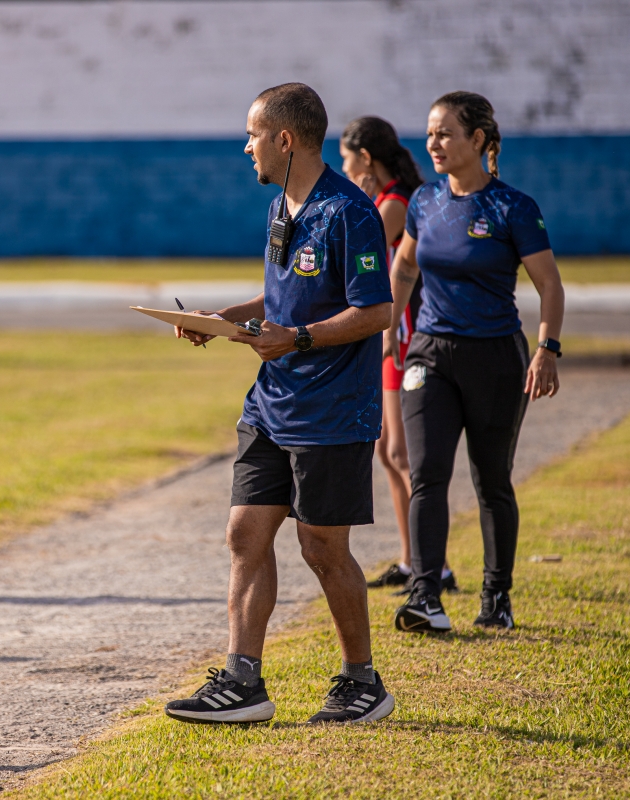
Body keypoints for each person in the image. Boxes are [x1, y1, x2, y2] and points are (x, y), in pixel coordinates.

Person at [163, 84, 395, 725]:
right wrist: (223, 320)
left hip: (332, 410)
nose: (247, 147)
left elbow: (376, 310)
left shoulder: (350, 213)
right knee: (244, 533)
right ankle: (243, 682)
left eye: (253, 135)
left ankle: (362, 683)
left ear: (284, 139)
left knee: (321, 548)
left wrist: (297, 339)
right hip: (270, 404)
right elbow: (281, 296)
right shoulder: (278, 207)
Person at [386, 93, 564, 633]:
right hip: (429, 355)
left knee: (492, 481)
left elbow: (549, 285)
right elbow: (404, 267)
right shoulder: (424, 200)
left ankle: (496, 596)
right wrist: (391, 325)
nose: (433, 143)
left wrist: (546, 350)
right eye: (430, 133)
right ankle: (426, 595)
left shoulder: (513, 207)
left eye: (444, 133)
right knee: (426, 474)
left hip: (495, 358)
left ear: (478, 139)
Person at [338, 117, 457, 595]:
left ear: (366, 158)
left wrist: (359, 200)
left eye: (347, 159)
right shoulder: (383, 201)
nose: (344, 169)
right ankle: (412, 560)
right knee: (388, 451)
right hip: (389, 338)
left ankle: (436, 566)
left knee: (401, 452)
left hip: (402, 337)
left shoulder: (393, 204)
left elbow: (348, 249)